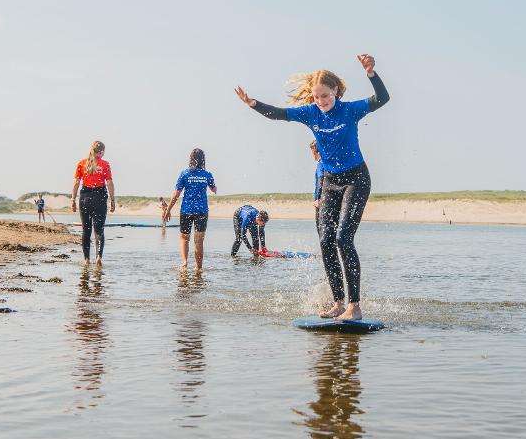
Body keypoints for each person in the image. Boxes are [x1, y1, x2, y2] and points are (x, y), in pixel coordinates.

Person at [235, 54, 389, 320]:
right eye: (317, 97)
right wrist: (253, 104)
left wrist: (371, 74)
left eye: (325, 96)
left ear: (336, 92)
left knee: (343, 238)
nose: (321, 101)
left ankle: (355, 306)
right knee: (326, 241)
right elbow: (279, 114)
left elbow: (381, 99)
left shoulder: (350, 110)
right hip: (329, 181)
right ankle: (338, 303)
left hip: (356, 179)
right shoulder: (310, 113)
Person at [163, 148, 217, 270]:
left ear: (191, 159)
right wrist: (212, 187)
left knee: (184, 238)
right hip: (202, 211)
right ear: (203, 160)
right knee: (198, 241)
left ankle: (185, 262)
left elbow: (176, 193)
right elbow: (214, 189)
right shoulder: (207, 174)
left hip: (186, 210)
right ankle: (198, 268)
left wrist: (168, 209)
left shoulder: (184, 173)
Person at [71, 141, 116, 266]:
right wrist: (112, 200)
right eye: (103, 152)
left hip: (85, 197)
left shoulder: (81, 163)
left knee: (86, 230)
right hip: (100, 197)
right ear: (101, 152)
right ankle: (98, 258)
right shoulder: (105, 164)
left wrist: (73, 200)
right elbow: (109, 183)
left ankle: (86, 260)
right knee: (99, 230)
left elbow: (76, 183)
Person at [311, 140, 324, 230]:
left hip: (322, 201)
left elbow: (321, 179)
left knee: (321, 229)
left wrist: (318, 199)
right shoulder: (328, 163)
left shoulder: (320, 164)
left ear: (315, 151)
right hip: (329, 200)